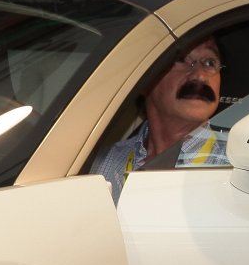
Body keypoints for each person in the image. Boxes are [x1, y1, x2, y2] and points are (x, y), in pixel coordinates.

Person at [88, 36, 229, 203]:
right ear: (143, 79)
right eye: (181, 59)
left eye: (210, 63)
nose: (200, 76)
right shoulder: (99, 165)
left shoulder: (239, 171)